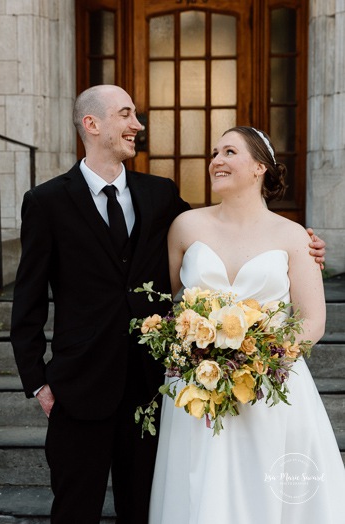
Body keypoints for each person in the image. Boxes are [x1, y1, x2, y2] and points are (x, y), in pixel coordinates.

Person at [9, 85, 326, 523]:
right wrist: (37, 382)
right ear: (92, 124)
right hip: (79, 384)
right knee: (73, 509)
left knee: (144, 508)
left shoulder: (162, 197)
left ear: (259, 168)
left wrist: (305, 249)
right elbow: (26, 301)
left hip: (153, 387)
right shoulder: (46, 202)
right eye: (127, 115)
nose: (138, 125)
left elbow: (219, 240)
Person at [149, 126, 345, 523]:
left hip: (270, 383)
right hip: (196, 384)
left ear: (259, 167)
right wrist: (196, 351)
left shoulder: (294, 236)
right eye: (215, 152)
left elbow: (313, 321)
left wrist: (259, 361)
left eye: (229, 152)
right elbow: (173, 305)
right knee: (197, 483)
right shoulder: (185, 227)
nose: (216, 160)